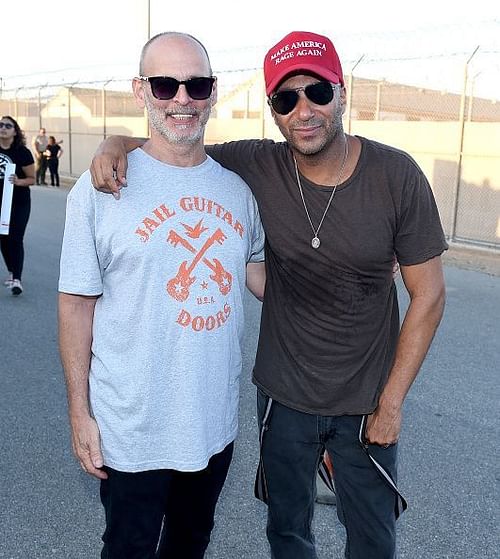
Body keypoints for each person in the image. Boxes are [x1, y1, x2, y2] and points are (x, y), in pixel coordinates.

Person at [90, 30, 447, 559]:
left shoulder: (397, 176)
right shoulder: (257, 164)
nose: (304, 110)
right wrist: (114, 142)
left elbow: (430, 295)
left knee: (372, 538)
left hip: (368, 399)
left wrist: (391, 404)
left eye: (317, 92)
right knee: (287, 532)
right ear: (274, 111)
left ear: (341, 92)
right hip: (283, 398)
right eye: (286, 98)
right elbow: (177, 140)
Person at [58, 32, 265, 559]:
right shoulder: (101, 189)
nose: (181, 100)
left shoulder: (236, 192)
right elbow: (76, 306)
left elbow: (259, 274)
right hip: (131, 427)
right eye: (165, 84)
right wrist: (81, 414)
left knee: (190, 542)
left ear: (213, 92)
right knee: (127, 547)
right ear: (140, 90)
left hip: (211, 422)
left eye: (195, 85)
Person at [0, 116, 35, 296]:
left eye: (8, 125)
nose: (3, 128)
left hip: (19, 203)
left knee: (16, 238)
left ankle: (17, 280)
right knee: (3, 239)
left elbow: (32, 179)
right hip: (0, 204)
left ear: (15, 131)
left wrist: (18, 181)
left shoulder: (22, 152)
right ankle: (12, 271)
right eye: (1, 125)